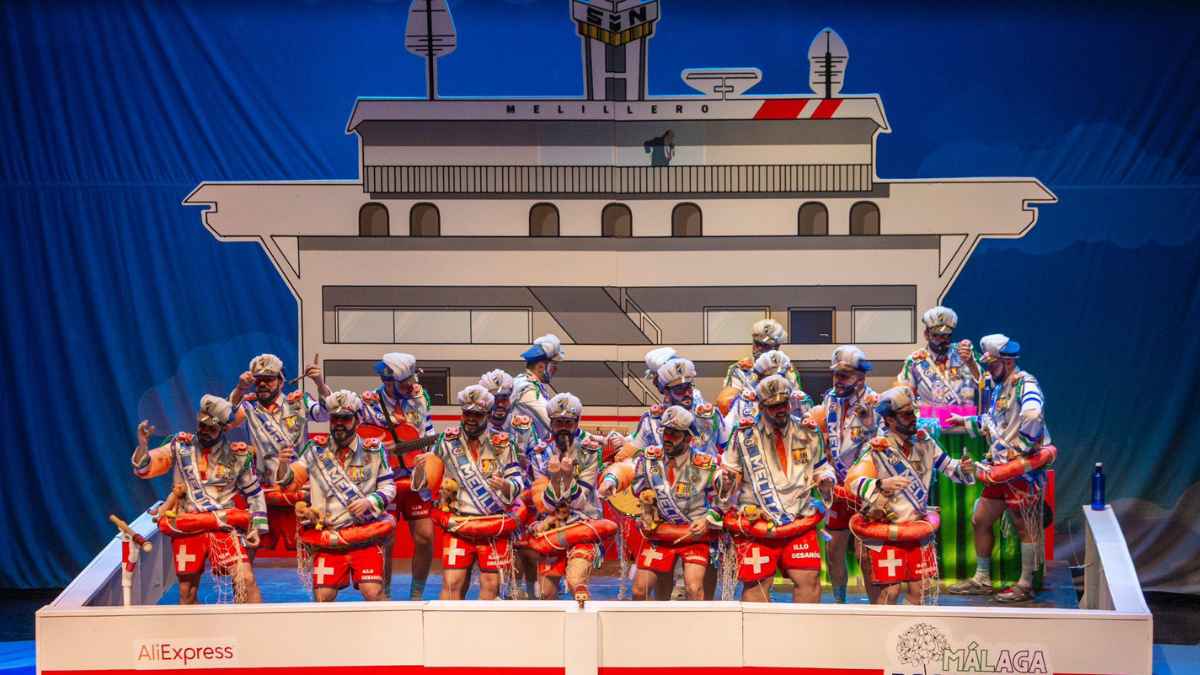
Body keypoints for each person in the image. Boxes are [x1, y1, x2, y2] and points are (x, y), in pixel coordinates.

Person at [845, 387, 975, 604]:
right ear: (889, 419)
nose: (914, 418)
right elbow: (852, 482)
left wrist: (964, 468)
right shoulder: (877, 448)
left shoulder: (926, 442)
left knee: (922, 592)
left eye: (913, 412)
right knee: (889, 594)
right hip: (884, 532)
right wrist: (880, 484)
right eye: (906, 415)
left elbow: (950, 467)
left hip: (915, 530)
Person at [946, 334, 1051, 603]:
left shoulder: (1025, 383)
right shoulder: (1000, 386)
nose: (989, 370)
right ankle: (982, 578)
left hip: (1021, 471)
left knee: (1024, 525)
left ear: (1007, 361)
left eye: (992, 365)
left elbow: (1033, 414)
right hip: (999, 469)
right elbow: (994, 421)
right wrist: (965, 421)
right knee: (981, 519)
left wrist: (1023, 448)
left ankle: (1025, 584)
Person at [132, 395, 267, 604]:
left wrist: (256, 528)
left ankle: (253, 624)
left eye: (211, 428)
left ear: (223, 428)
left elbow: (255, 493)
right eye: (202, 425)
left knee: (246, 580)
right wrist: (143, 445)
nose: (204, 431)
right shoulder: (180, 446)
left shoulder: (238, 456)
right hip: (189, 526)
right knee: (187, 592)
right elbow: (144, 469)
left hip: (223, 527)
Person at [715, 375, 834, 603]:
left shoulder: (808, 431)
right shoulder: (743, 435)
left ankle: (803, 628)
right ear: (760, 407)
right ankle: (758, 629)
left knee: (809, 580)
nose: (780, 410)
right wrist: (726, 481)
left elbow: (821, 466)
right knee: (756, 584)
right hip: (757, 521)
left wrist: (825, 479)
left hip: (799, 518)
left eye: (783, 404)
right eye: (773, 406)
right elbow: (728, 472)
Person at [896, 306, 987, 584]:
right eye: (937, 335)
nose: (942, 340)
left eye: (947, 335)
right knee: (933, 501)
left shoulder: (965, 356)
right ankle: (932, 566)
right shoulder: (916, 361)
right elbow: (903, 395)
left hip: (966, 436)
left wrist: (972, 365)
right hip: (932, 438)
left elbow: (986, 389)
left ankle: (971, 566)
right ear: (926, 333)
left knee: (967, 502)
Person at [277, 390, 396, 601]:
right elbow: (289, 483)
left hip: (364, 537)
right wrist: (283, 464)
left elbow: (389, 487)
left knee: (373, 592)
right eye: (335, 418)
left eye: (345, 418)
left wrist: (369, 501)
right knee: (323, 596)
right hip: (329, 538)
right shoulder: (315, 449)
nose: (339, 423)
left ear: (358, 420)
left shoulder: (374, 450)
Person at [415, 385, 527, 600]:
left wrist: (506, 485)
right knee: (451, 584)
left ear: (488, 414)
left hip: (493, 527)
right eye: (467, 414)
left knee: (491, 584)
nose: (471, 419)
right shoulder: (446, 442)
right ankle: (448, 623)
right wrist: (421, 470)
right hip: (459, 526)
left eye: (477, 414)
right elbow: (426, 488)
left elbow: (517, 482)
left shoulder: (504, 444)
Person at [598, 406, 721, 600]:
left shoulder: (705, 464)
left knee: (694, 588)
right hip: (660, 532)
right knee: (640, 591)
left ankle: (698, 620)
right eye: (666, 432)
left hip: (694, 534)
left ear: (688, 438)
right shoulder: (649, 458)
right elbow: (629, 472)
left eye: (675, 434)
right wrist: (611, 481)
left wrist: (708, 519)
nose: (668, 438)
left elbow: (723, 500)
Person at [808, 345, 880, 603]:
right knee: (833, 551)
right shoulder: (829, 400)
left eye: (844, 375)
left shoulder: (875, 403)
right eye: (835, 374)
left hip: (865, 490)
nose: (837, 380)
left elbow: (884, 447)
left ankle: (876, 609)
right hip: (836, 488)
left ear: (861, 377)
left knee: (865, 555)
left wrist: (871, 426)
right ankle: (839, 604)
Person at [526, 393, 611, 601]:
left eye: (568, 422)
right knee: (545, 593)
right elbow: (545, 505)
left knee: (575, 582)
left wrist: (566, 477)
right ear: (551, 423)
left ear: (577, 422)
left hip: (583, 525)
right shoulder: (539, 452)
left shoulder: (590, 450)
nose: (563, 427)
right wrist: (556, 479)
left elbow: (580, 501)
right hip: (552, 528)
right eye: (558, 422)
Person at [227, 353, 316, 550]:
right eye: (258, 380)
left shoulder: (298, 402)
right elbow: (225, 418)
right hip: (265, 488)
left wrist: (319, 383)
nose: (262, 384)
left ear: (281, 381)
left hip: (298, 488)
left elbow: (325, 413)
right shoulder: (248, 406)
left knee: (307, 548)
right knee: (253, 544)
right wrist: (240, 389)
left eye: (268, 379)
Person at [512, 334, 566, 439]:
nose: (556, 370)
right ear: (541, 366)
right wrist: (586, 437)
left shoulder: (530, 384)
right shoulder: (527, 389)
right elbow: (553, 422)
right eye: (554, 365)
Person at [722, 318, 791, 393]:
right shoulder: (739, 369)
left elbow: (797, 396)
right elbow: (728, 398)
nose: (759, 348)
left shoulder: (788, 370)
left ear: (777, 347)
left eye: (766, 345)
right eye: (757, 343)